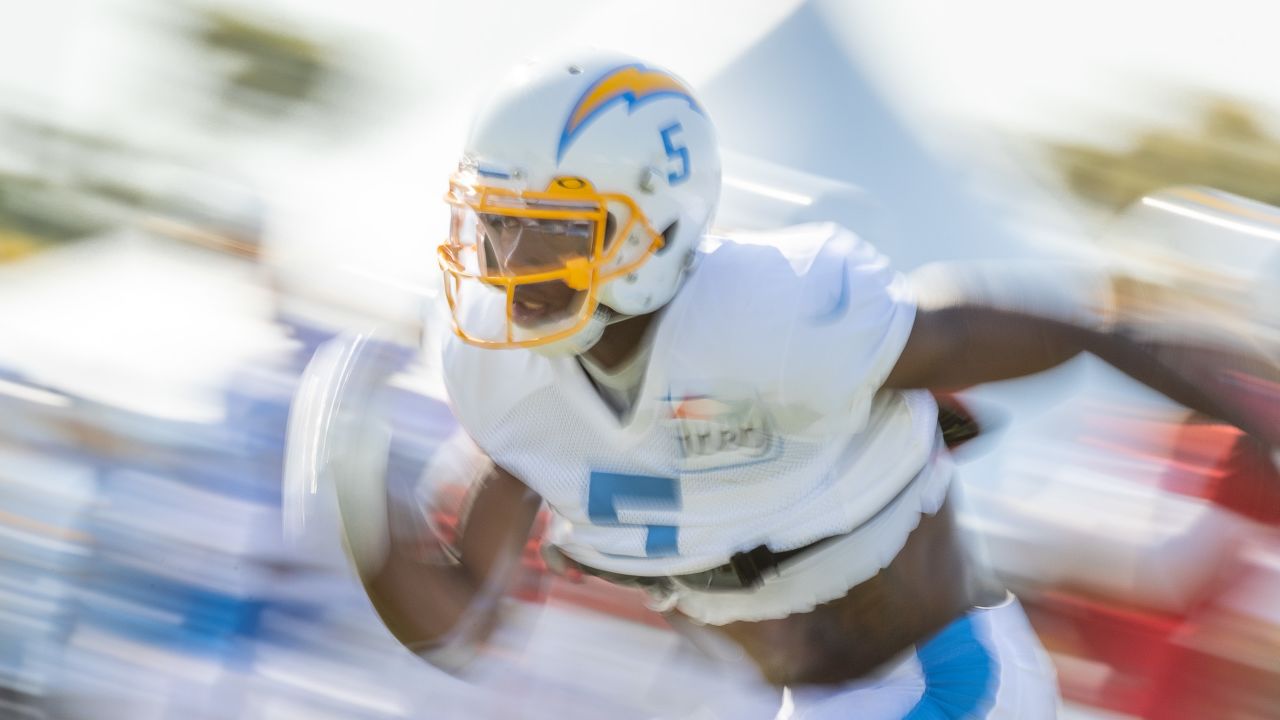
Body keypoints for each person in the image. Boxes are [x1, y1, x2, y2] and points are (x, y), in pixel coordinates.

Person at [334, 51, 1278, 719]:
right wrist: (356, 496)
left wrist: (1259, 411)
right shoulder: (514, 389)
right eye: (493, 226)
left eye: (548, 230)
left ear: (650, 229)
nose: (507, 265)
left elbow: (1081, 330)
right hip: (810, 698)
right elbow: (458, 625)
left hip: (940, 678)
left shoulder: (782, 320)